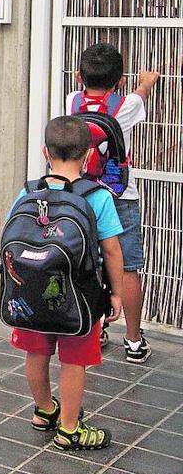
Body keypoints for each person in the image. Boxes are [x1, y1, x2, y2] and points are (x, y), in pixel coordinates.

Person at [11, 115, 124, 451]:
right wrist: (115, 293)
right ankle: (70, 428)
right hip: (80, 297)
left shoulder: (29, 191)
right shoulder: (97, 196)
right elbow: (113, 250)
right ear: (88, 155)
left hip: (30, 291)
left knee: (36, 352)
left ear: (45, 151)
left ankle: (45, 410)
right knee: (74, 360)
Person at [69, 42, 158, 364]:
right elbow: (141, 93)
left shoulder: (72, 102)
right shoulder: (128, 105)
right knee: (128, 266)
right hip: (120, 196)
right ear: (120, 81)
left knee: (88, 264)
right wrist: (146, 81)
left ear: (78, 76)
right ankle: (133, 340)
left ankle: (94, 329)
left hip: (82, 195)